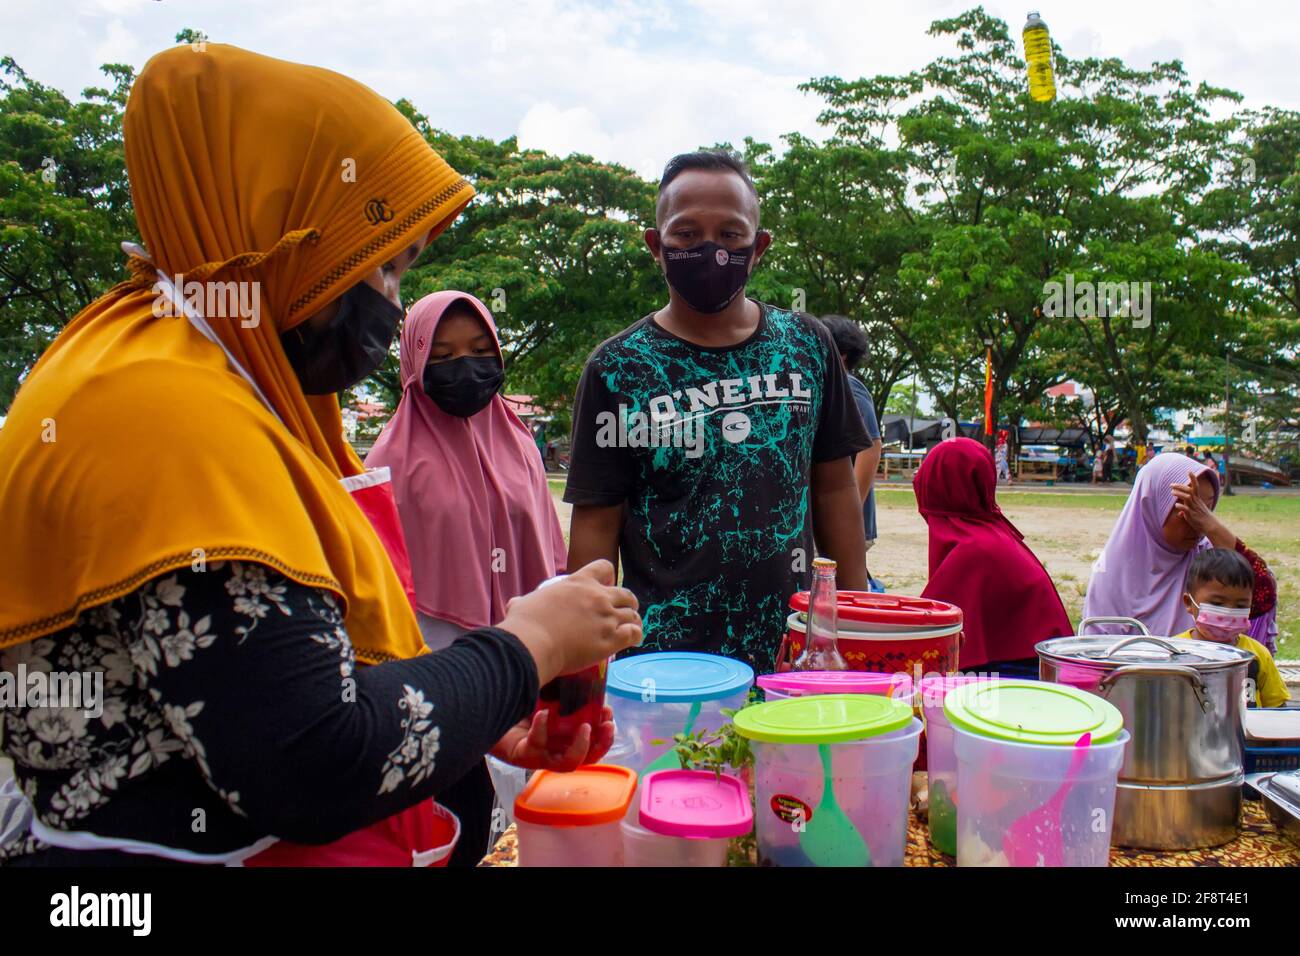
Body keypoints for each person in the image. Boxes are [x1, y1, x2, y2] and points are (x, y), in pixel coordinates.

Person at [0, 45, 641, 867]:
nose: (389, 299)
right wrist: (526, 651)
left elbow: (289, 681)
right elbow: (309, 758)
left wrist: (480, 709)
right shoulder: (161, 409)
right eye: (382, 263)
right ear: (278, 231)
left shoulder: (199, 371)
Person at [564, 150, 871, 671]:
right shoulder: (617, 368)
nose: (710, 249)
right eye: (686, 234)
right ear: (655, 247)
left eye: (731, 235)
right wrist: (586, 660)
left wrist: (854, 618)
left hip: (793, 651)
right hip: (665, 661)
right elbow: (596, 523)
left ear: (759, 248)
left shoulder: (807, 345)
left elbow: (835, 487)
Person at [364, 291, 568, 865]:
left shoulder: (519, 440)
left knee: (529, 830)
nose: (467, 368)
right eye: (445, 356)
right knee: (464, 826)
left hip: (528, 667)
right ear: (415, 364)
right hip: (437, 682)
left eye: (481, 350)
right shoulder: (391, 458)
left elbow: (544, 551)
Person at [913, 437, 1073, 675]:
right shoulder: (991, 533)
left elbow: (929, 632)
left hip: (1021, 677)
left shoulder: (974, 549)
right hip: (1032, 665)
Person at [1082, 452, 1276, 637]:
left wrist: (1212, 526)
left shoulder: (1206, 557)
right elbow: (1097, 657)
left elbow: (1262, 595)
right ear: (1153, 506)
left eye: (1205, 510)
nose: (1197, 524)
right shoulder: (1113, 571)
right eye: (1187, 508)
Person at [1178, 550, 1288, 707]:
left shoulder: (1257, 655)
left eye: (1241, 605)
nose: (1229, 612)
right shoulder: (1175, 653)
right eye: (1217, 603)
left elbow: (1277, 707)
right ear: (1189, 603)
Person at [819, 315, 883, 551]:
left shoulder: (847, 385)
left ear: (842, 353)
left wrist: (848, 513)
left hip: (844, 525)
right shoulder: (830, 385)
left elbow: (872, 448)